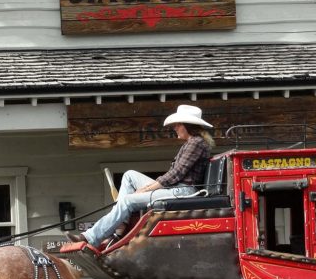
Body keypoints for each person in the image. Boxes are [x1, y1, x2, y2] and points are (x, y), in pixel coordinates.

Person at [66, 104, 214, 246]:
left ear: (188, 126)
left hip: (183, 191)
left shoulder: (196, 143)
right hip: (175, 189)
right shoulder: (191, 143)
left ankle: (90, 237)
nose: (175, 128)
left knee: (127, 201)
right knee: (130, 175)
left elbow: (176, 173)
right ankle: (121, 224)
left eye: (178, 124)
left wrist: (147, 189)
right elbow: (173, 175)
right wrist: (151, 186)